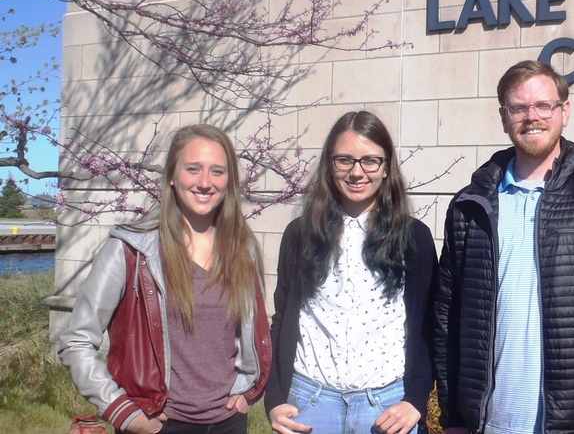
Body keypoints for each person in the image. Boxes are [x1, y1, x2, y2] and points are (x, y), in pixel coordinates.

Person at [433, 60, 574, 434]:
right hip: (489, 423)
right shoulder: (470, 205)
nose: (531, 117)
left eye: (543, 106)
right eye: (518, 108)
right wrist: (454, 414)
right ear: (503, 116)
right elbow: (446, 316)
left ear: (564, 111)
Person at [58, 124, 271, 434]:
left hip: (229, 422)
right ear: (172, 175)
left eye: (217, 171)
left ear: (229, 181)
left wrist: (248, 390)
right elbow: (76, 340)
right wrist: (123, 413)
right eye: (193, 169)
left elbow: (250, 330)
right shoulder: (131, 249)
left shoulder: (243, 248)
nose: (205, 182)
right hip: (158, 424)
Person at [265, 110, 437, 434]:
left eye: (370, 161)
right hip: (310, 405)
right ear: (330, 166)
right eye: (344, 160)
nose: (357, 172)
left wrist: (415, 399)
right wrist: (274, 398)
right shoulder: (300, 234)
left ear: (386, 168)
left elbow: (429, 325)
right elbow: (283, 317)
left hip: (386, 408)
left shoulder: (414, 237)